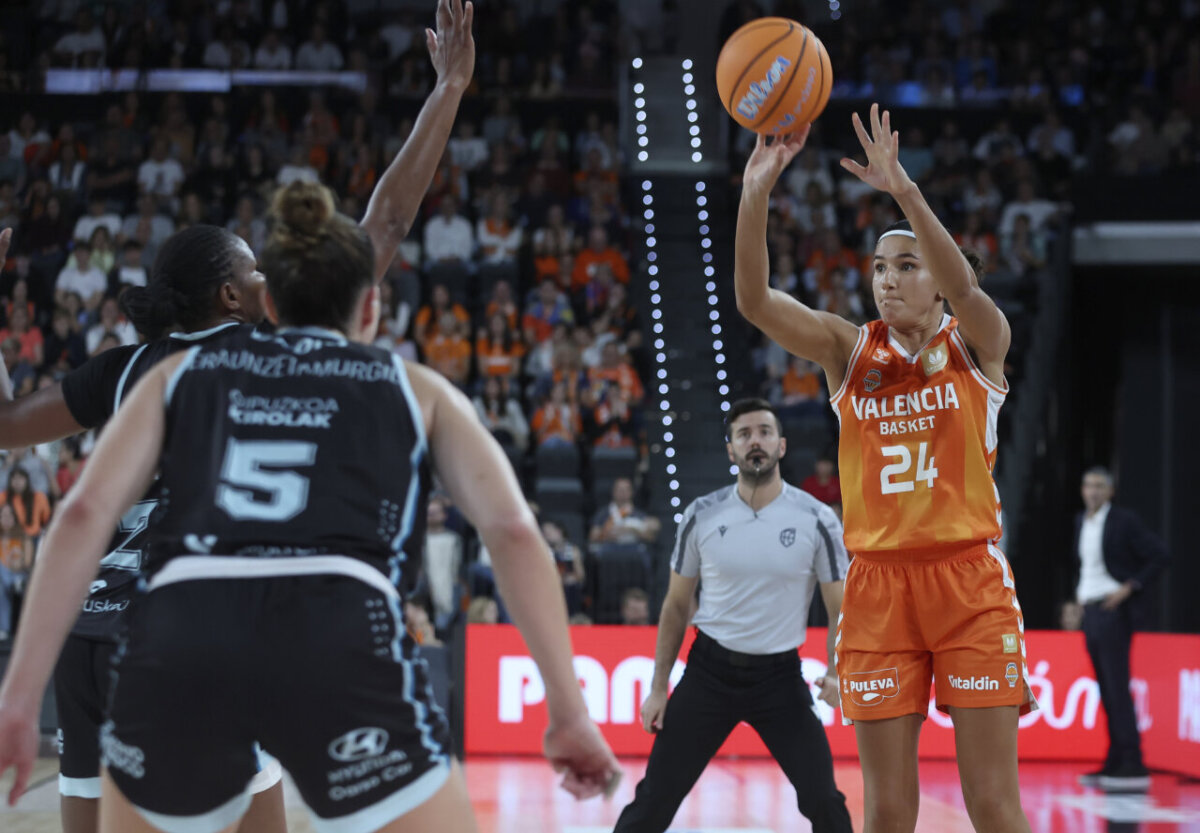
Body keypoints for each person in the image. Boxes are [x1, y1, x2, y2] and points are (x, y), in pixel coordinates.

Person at [0, 176, 619, 832]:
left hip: (182, 623)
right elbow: (514, 531)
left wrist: (17, 694)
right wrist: (569, 710)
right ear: (371, 308)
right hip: (331, 617)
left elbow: (79, 514)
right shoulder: (406, 381)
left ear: (275, 299)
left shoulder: (172, 374)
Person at [0, 2, 480, 827]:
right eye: (257, 267)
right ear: (232, 294)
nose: (273, 275)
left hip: (90, 631)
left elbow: (6, 424)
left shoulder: (124, 371)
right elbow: (387, 222)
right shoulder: (273, 341)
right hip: (198, 614)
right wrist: (449, 91)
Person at [734, 105, 1034, 833]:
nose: (888, 280)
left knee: (992, 805)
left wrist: (904, 192)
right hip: (877, 586)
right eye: (878, 268)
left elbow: (966, 292)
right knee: (887, 812)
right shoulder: (849, 349)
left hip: (967, 580)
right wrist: (755, 195)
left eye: (907, 267)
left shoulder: (980, 342)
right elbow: (753, 301)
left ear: (938, 279)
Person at [613, 398, 852, 833]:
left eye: (763, 432)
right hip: (709, 673)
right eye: (743, 434)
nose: (754, 441)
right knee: (653, 800)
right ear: (730, 450)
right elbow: (675, 605)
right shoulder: (701, 515)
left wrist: (838, 671)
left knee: (823, 800)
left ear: (781, 446)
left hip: (780, 679)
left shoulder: (817, 519)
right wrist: (657, 687)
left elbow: (841, 606)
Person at [1067, 466, 1168, 791]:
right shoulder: (1081, 521)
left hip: (1114, 613)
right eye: (1088, 485)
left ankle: (1132, 761)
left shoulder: (1124, 521)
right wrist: (1078, 601)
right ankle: (1114, 760)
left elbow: (1159, 555)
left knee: (1117, 688)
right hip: (1091, 613)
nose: (1092, 491)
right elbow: (1085, 568)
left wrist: (1128, 588)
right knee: (1106, 691)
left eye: (1099, 486)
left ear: (1110, 491)